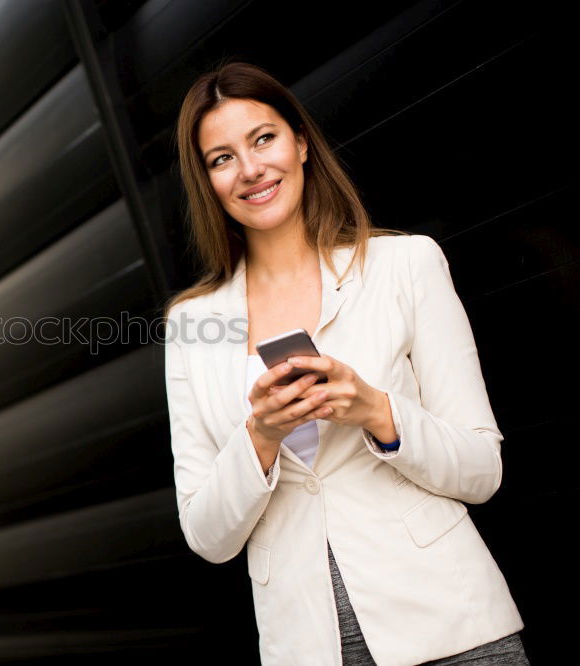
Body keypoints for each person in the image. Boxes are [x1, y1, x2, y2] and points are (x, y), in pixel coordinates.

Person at [162, 61, 529, 665]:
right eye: (221, 158)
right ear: (206, 180)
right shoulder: (191, 325)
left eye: (264, 138)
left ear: (301, 142)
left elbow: (481, 470)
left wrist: (377, 412)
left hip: (450, 624)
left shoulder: (405, 266)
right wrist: (261, 437)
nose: (250, 169)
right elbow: (207, 537)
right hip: (306, 647)